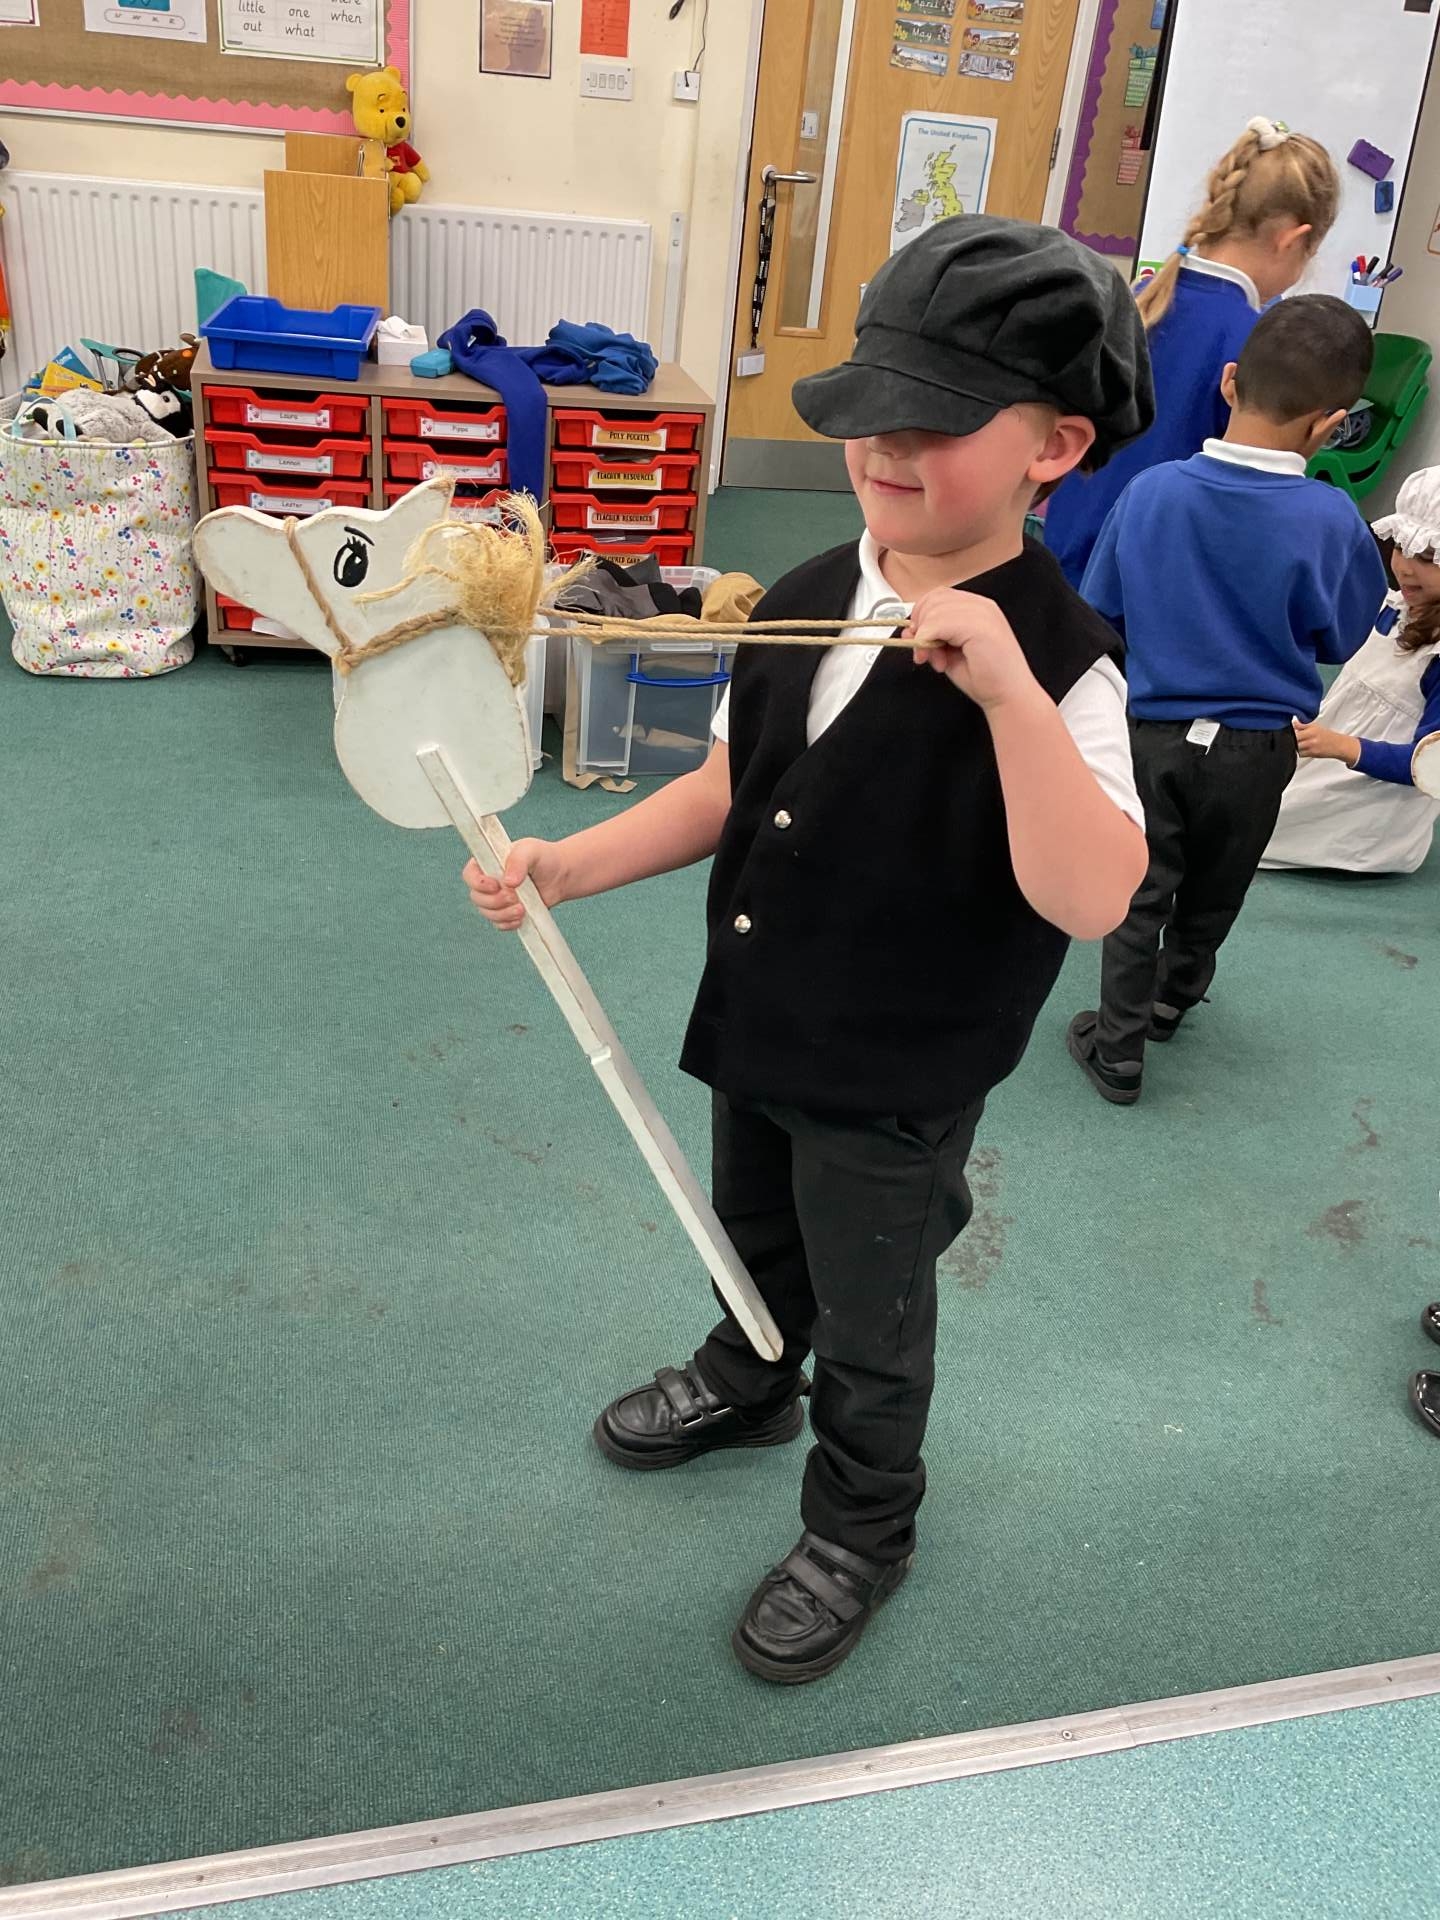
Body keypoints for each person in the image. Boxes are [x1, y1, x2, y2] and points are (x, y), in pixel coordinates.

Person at [465, 218, 1152, 1683]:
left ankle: (862, 1523)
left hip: (897, 1073)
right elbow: (733, 784)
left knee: (873, 1307)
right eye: (868, 409)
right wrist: (571, 863)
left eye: (939, 420)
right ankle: (750, 1373)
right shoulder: (804, 593)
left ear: (1055, 448)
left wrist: (1012, 702)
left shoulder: (1065, 661)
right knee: (750, 1231)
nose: (886, 446)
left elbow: (1094, 895)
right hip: (764, 1012)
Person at [1067, 294, 1386, 1105]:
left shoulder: (1151, 493)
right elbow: (1341, 637)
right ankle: (1173, 1000)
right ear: (1330, 425)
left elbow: (1101, 610)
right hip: (1260, 749)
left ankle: (1118, 1048)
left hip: (1153, 734)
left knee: (1140, 890)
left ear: (1230, 381)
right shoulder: (1334, 518)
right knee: (1219, 885)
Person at [1043, 117, 1340, 590]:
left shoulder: (1140, 297)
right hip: (1143, 584)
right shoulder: (1256, 343)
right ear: (1291, 239)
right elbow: (1246, 501)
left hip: (1064, 560)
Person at [1262, 468, 1440, 875]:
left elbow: (1431, 764)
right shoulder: (1400, 606)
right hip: (1325, 752)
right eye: (1401, 547)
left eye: (1426, 558)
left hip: (1368, 803)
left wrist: (1343, 746)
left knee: (1232, 829)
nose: (1405, 567)